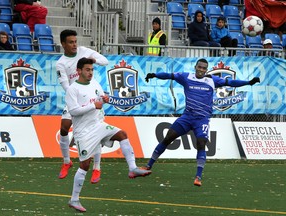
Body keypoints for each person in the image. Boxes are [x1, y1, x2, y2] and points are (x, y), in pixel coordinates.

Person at [143, 58, 260, 187]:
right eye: (200, 67)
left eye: (204, 68)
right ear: (195, 67)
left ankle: (198, 177)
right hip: (187, 117)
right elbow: (169, 76)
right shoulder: (186, 77)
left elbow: (231, 82)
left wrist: (248, 82)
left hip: (202, 119)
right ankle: (148, 165)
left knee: (201, 143)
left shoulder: (212, 80)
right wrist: (154, 75)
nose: (201, 70)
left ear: (206, 69)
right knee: (168, 137)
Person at [56, 29, 150, 183]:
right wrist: (77, 96)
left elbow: (104, 61)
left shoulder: (84, 51)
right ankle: (67, 161)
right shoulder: (61, 63)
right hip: (76, 98)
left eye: (75, 41)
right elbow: (66, 85)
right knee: (64, 128)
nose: (74, 45)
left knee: (96, 128)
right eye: (71, 42)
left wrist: (92, 60)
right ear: (63, 44)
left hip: (91, 94)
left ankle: (97, 168)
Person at [66, 58, 151, 212]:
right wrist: (94, 105)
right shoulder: (73, 89)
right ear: (78, 71)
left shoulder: (95, 83)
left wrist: (105, 98)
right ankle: (74, 199)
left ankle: (132, 168)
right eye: (87, 69)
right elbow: (73, 111)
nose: (90, 72)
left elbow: (100, 97)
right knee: (84, 166)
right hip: (83, 133)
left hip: (98, 125)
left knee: (122, 134)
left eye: (91, 69)